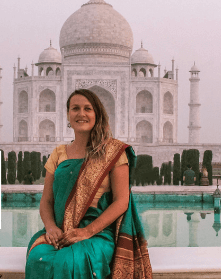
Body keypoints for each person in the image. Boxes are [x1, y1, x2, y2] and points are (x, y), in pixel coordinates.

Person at [25, 89, 152, 279]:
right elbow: (47, 201)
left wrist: (86, 232)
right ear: (68, 114)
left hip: (96, 233)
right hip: (60, 231)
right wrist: (51, 227)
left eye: (88, 109)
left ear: (97, 114)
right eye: (75, 108)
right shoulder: (59, 153)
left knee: (69, 261)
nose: (81, 114)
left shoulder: (113, 152)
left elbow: (121, 201)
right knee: (38, 258)